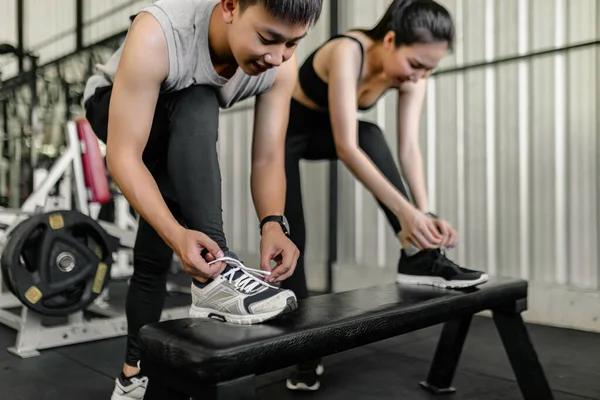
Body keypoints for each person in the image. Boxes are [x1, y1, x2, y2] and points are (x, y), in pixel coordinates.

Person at [82, 0, 323, 399]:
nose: (277, 56)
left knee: (152, 255)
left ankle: (131, 375)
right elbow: (123, 157)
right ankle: (218, 273)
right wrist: (179, 234)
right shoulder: (159, 31)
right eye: (268, 38)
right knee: (198, 98)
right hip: (114, 105)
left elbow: (267, 156)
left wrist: (273, 224)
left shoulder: (281, 65)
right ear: (230, 6)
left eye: (293, 44)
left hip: (179, 122)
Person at [280, 0, 488, 391]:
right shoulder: (347, 51)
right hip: (285, 137)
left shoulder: (414, 75)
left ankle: (418, 256)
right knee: (295, 241)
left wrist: (422, 215)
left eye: (430, 69)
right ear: (390, 40)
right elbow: (346, 147)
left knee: (372, 134)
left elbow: (408, 147)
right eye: (416, 65)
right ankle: (302, 355)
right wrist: (407, 212)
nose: (419, 77)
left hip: (328, 133)